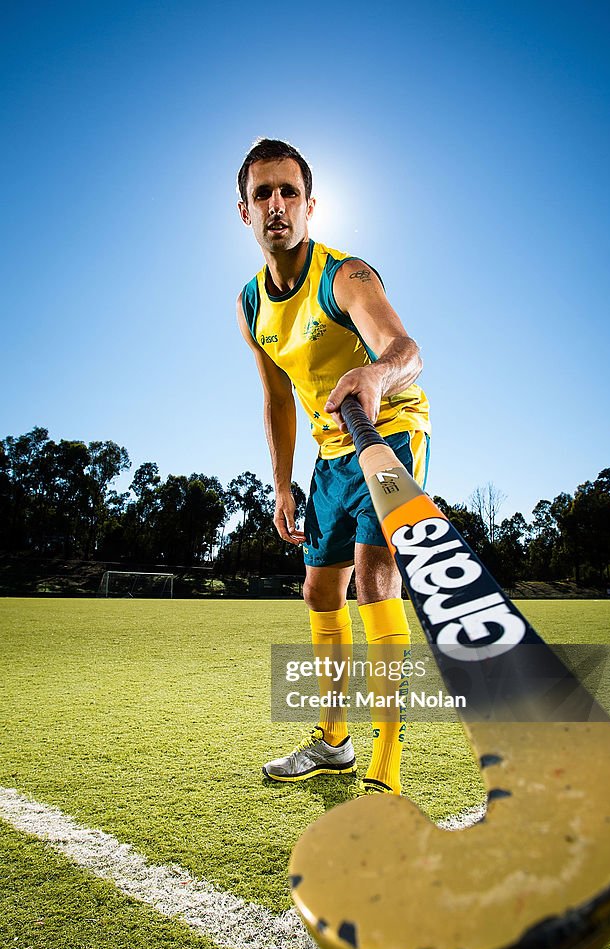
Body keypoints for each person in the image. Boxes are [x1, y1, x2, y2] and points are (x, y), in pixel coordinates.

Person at [236, 138, 430, 795]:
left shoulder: (345, 275)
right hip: (328, 453)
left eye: (288, 191)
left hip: (388, 432)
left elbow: (406, 350)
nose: (276, 205)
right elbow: (276, 397)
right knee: (320, 591)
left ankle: (387, 756)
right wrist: (279, 482)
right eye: (263, 193)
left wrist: (375, 375)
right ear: (244, 212)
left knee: (375, 580)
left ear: (310, 205)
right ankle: (333, 741)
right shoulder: (249, 304)